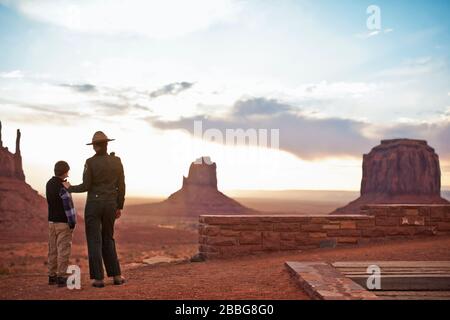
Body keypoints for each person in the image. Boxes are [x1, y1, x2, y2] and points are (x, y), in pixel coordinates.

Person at [64, 131, 126, 288]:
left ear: (95, 146)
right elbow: (122, 185)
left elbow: (86, 186)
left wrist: (70, 188)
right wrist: (119, 206)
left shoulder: (90, 162)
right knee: (108, 238)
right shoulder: (116, 161)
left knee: (94, 240)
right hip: (111, 204)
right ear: (106, 144)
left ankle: (98, 279)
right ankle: (117, 276)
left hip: (94, 205)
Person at [46, 161, 77, 287]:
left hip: (52, 222)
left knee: (52, 250)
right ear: (65, 172)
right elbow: (68, 207)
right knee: (63, 250)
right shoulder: (63, 186)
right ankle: (62, 277)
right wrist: (72, 223)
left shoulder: (49, 183)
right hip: (63, 223)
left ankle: (51, 276)